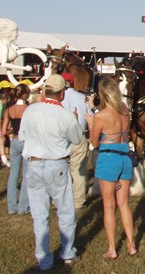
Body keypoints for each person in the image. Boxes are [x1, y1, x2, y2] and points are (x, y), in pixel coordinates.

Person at [20, 74, 83, 270]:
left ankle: (43, 258)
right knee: (65, 211)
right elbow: (76, 139)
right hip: (57, 164)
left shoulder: (30, 111)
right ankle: (67, 252)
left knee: (39, 215)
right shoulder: (64, 115)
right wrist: (74, 120)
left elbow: (23, 137)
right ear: (62, 94)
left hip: (34, 163)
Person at [87, 77, 136, 258]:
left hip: (109, 157)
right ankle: (131, 245)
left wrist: (91, 123)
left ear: (102, 93)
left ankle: (112, 249)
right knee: (123, 203)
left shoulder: (101, 116)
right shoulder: (125, 110)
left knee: (109, 206)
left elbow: (94, 142)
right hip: (125, 155)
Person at [61, 73, 89, 209]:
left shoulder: (57, 99)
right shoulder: (82, 97)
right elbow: (90, 116)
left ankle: (60, 199)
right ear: (72, 83)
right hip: (79, 135)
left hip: (60, 137)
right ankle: (78, 200)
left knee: (61, 169)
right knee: (78, 169)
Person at [1, 83, 31, 214]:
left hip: (14, 140)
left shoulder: (9, 109)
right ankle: (23, 206)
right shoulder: (29, 109)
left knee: (13, 174)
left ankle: (11, 206)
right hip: (26, 140)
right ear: (25, 95)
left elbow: (3, 131)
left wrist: (13, 129)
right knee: (26, 174)